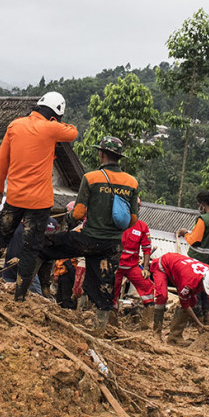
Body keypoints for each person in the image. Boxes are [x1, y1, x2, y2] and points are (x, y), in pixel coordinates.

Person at [0, 91, 78, 297]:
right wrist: (55, 124)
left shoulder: (14, 125)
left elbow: (3, 160)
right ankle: (20, 295)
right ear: (54, 115)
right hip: (39, 203)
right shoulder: (51, 128)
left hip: (14, 198)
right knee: (31, 248)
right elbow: (73, 132)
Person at [40, 136, 138, 331]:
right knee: (105, 287)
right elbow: (133, 219)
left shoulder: (91, 178)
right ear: (119, 157)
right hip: (112, 245)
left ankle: (33, 290)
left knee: (45, 245)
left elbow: (78, 213)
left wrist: (69, 216)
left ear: (101, 154)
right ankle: (99, 329)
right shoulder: (132, 182)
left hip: (88, 239)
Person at [150, 252, 209, 344]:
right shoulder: (188, 283)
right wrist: (199, 324)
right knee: (162, 296)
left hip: (179, 267)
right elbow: (184, 304)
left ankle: (174, 337)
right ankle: (156, 332)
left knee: (193, 302)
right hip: (163, 265)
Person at [177, 190, 209, 323]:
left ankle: (197, 319)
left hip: (198, 260)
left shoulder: (203, 219)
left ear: (203, 204)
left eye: (199, 203)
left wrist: (185, 233)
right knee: (208, 291)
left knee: (196, 290)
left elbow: (195, 240)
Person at [113, 203, 155, 308]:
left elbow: (146, 248)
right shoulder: (116, 223)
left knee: (147, 285)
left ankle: (148, 315)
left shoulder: (142, 226)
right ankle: (111, 317)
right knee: (112, 291)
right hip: (116, 265)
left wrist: (145, 268)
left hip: (131, 266)